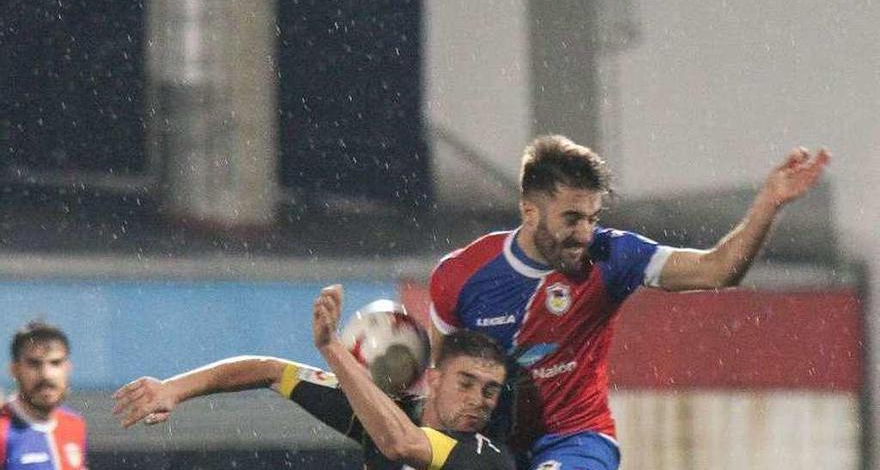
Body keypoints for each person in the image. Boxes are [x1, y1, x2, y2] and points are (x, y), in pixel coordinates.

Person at [428, 134, 831, 470]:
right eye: (572, 218)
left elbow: (717, 270)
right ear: (529, 212)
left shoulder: (613, 257)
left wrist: (769, 204)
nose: (585, 233)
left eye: (593, 217)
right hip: (491, 445)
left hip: (576, 439)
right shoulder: (461, 276)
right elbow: (440, 377)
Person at [113, 285, 515, 470]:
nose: (479, 399)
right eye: (467, 382)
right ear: (434, 379)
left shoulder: (487, 457)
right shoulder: (382, 414)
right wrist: (174, 389)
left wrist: (333, 348)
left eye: (491, 390)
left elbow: (399, 444)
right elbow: (270, 371)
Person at [1, 321, 87, 470]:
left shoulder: (75, 424)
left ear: (68, 367)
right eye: (34, 364)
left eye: (55, 363)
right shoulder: (3, 429)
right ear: (14, 369)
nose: (46, 375)